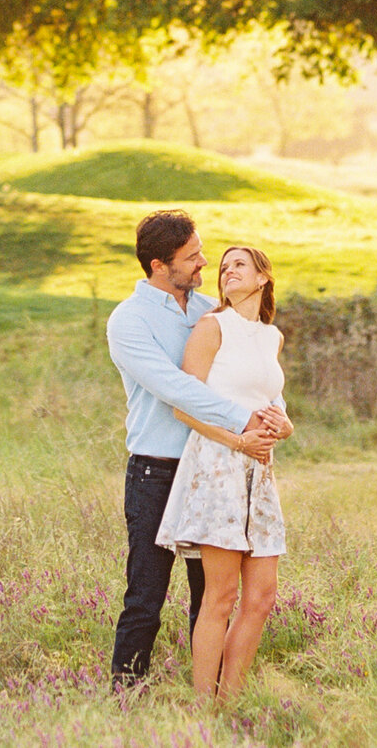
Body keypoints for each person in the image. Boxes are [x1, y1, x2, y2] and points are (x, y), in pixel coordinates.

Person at [104, 211, 285, 687]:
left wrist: (269, 419)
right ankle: (126, 696)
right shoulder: (129, 321)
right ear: (160, 265)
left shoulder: (211, 310)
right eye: (193, 257)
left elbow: (250, 372)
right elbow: (175, 389)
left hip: (214, 470)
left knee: (211, 594)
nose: (205, 262)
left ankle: (207, 697)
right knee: (146, 592)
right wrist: (242, 422)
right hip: (157, 470)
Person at [157, 244, 290, 701]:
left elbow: (270, 398)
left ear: (262, 278)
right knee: (220, 597)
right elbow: (183, 405)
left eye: (240, 265)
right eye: (224, 267)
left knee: (262, 597)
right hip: (217, 466)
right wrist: (237, 440)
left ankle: (230, 702)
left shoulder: (272, 337)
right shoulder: (212, 327)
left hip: (260, 474)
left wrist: (285, 425)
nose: (228, 271)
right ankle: (201, 708)